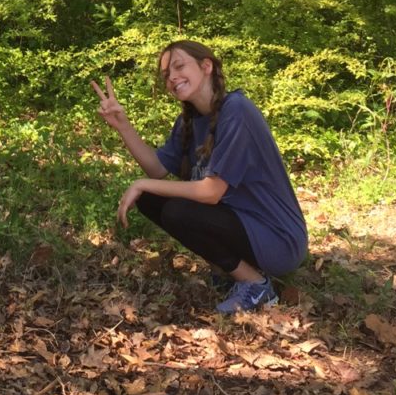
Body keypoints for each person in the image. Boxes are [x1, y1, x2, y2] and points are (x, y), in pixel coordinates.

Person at [92, 40, 307, 313]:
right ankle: (228, 270)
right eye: (166, 74)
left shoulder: (237, 110)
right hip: (243, 227)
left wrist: (141, 183)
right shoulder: (189, 122)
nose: (171, 77)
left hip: (277, 239)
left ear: (206, 66)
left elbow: (211, 192)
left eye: (179, 66)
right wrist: (122, 125)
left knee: (178, 210)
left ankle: (255, 285)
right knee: (150, 198)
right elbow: (157, 169)